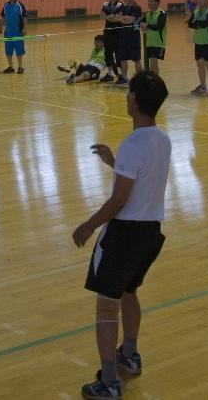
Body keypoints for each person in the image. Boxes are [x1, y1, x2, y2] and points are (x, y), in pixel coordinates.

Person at [71, 71, 171, 398]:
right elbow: (139, 180)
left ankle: (109, 381)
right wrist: (113, 162)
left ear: (135, 101)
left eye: (130, 94)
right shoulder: (162, 140)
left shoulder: (133, 143)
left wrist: (89, 225)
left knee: (105, 307)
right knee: (129, 292)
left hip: (124, 235)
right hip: (150, 233)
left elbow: (119, 199)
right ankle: (129, 356)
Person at [187, 0, 208, 97]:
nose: (198, 0)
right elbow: (190, 24)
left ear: (207, 0)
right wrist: (197, 24)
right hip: (198, 42)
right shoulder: (196, 11)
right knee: (200, 64)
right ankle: (203, 86)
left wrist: (197, 23)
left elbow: (205, 24)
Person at [115, 0, 144, 86]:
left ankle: (140, 79)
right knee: (123, 58)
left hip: (133, 36)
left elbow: (131, 20)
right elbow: (118, 18)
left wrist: (124, 18)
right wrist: (124, 18)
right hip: (123, 35)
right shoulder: (123, 7)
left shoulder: (137, 8)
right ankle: (124, 78)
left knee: (136, 59)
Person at [0, 0, 28, 74]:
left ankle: (20, 67)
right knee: (8, 51)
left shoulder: (20, 5)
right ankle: (11, 67)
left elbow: (24, 17)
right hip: (8, 32)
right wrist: (1, 27)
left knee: (19, 50)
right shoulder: (5, 5)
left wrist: (25, 28)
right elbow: (3, 17)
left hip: (17, 32)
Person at [142, 0, 166, 74]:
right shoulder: (148, 14)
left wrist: (147, 26)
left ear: (157, 3)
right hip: (148, 43)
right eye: (148, 1)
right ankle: (151, 81)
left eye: (151, 1)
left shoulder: (162, 13)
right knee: (149, 65)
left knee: (153, 64)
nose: (149, 3)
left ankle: (156, 81)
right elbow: (140, 22)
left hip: (158, 43)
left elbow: (159, 26)